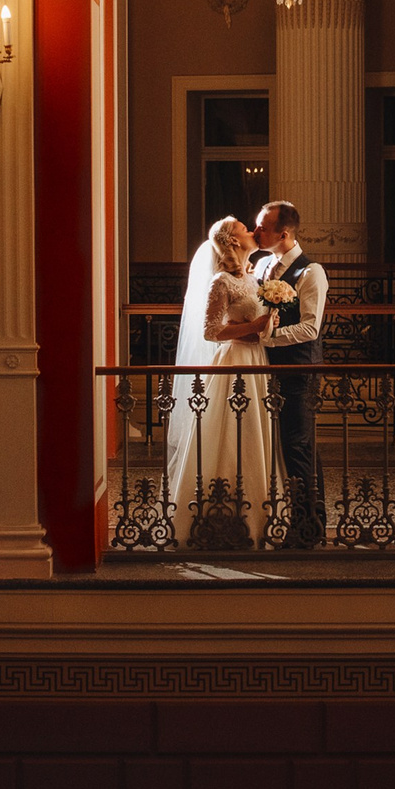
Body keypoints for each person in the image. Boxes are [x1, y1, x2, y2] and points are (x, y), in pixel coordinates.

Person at [163, 216, 279, 547]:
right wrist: (252, 327)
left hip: (257, 359)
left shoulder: (255, 278)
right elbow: (211, 331)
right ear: (232, 241)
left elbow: (261, 322)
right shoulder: (221, 282)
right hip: (232, 362)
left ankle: (257, 515)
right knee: (226, 434)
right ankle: (215, 515)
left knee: (254, 431)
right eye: (245, 228)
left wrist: (268, 324)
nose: (252, 231)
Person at [250, 200, 328, 547]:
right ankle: (298, 518)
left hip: (299, 369)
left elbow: (311, 328)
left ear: (284, 233)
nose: (257, 232)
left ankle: (309, 527)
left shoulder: (311, 272)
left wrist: (269, 337)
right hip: (267, 370)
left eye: (263, 227)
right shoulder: (262, 265)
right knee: (284, 445)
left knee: (299, 444)